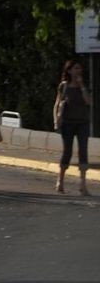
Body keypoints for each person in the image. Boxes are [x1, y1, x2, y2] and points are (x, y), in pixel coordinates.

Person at [54, 59, 92, 195]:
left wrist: (81, 86)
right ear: (69, 71)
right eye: (75, 68)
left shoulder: (84, 85)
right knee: (67, 151)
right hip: (68, 122)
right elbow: (57, 104)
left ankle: (83, 184)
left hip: (83, 122)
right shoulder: (64, 86)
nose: (78, 71)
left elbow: (88, 101)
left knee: (83, 151)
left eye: (79, 69)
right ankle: (60, 180)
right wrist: (56, 120)